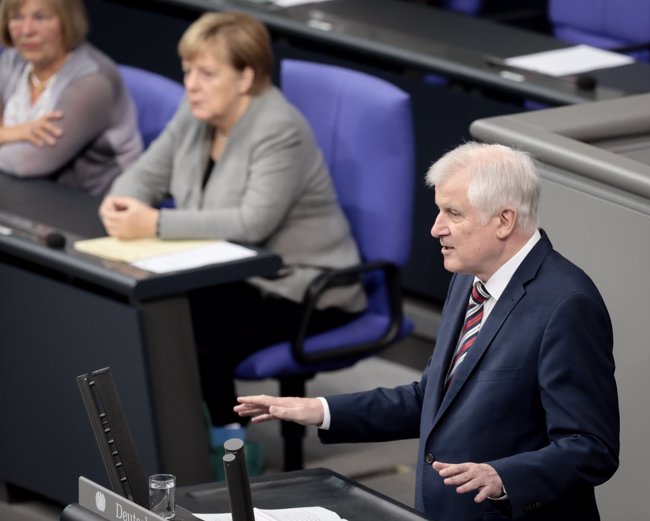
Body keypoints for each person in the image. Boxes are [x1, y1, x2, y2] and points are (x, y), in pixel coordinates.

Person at [236, 142, 620, 521]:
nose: (436, 228)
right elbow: (432, 399)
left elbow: (590, 447)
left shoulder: (567, 305)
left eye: (453, 213)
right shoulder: (468, 279)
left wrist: (505, 477)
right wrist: (320, 410)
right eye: (439, 210)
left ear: (504, 220)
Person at [99, 12, 366, 430]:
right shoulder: (196, 113)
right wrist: (122, 200)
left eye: (207, 73)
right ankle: (178, 436)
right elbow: (146, 173)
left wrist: (153, 224)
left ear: (245, 78)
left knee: (191, 335)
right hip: (228, 275)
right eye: (188, 70)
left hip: (301, 286)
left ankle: (226, 444)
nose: (191, 84)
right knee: (151, 314)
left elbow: (252, 223)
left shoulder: (279, 129)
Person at [0, 0, 142, 196]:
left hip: (94, 203)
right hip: (27, 192)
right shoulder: (12, 60)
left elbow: (27, 161)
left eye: (40, 17)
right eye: (17, 17)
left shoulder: (93, 82)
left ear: (67, 21)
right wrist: (16, 133)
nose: (26, 30)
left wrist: (4, 133)